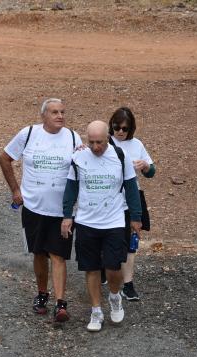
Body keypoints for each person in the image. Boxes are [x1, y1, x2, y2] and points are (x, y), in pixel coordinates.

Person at [0, 98, 82, 322]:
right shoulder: (28, 134)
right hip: (34, 207)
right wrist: (15, 190)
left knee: (58, 254)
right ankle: (42, 294)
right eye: (55, 112)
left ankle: (61, 303)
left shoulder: (73, 137)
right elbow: (5, 158)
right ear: (43, 115)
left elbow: (82, 169)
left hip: (61, 210)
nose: (60, 116)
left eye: (63, 112)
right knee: (38, 253)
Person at [61, 120, 142, 332]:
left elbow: (131, 186)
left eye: (100, 142)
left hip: (114, 221)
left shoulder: (120, 156)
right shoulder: (78, 157)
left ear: (108, 138)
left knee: (114, 267)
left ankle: (115, 296)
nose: (96, 147)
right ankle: (96, 310)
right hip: (87, 221)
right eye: (92, 142)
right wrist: (67, 215)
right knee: (91, 267)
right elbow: (71, 187)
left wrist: (136, 216)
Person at [106, 107, 155, 301]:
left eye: (124, 129)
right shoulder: (104, 142)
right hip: (109, 198)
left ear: (131, 128)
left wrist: (145, 166)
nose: (119, 131)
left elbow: (151, 172)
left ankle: (128, 284)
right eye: (116, 127)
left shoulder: (137, 145)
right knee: (108, 237)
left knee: (131, 241)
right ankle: (105, 269)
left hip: (132, 197)